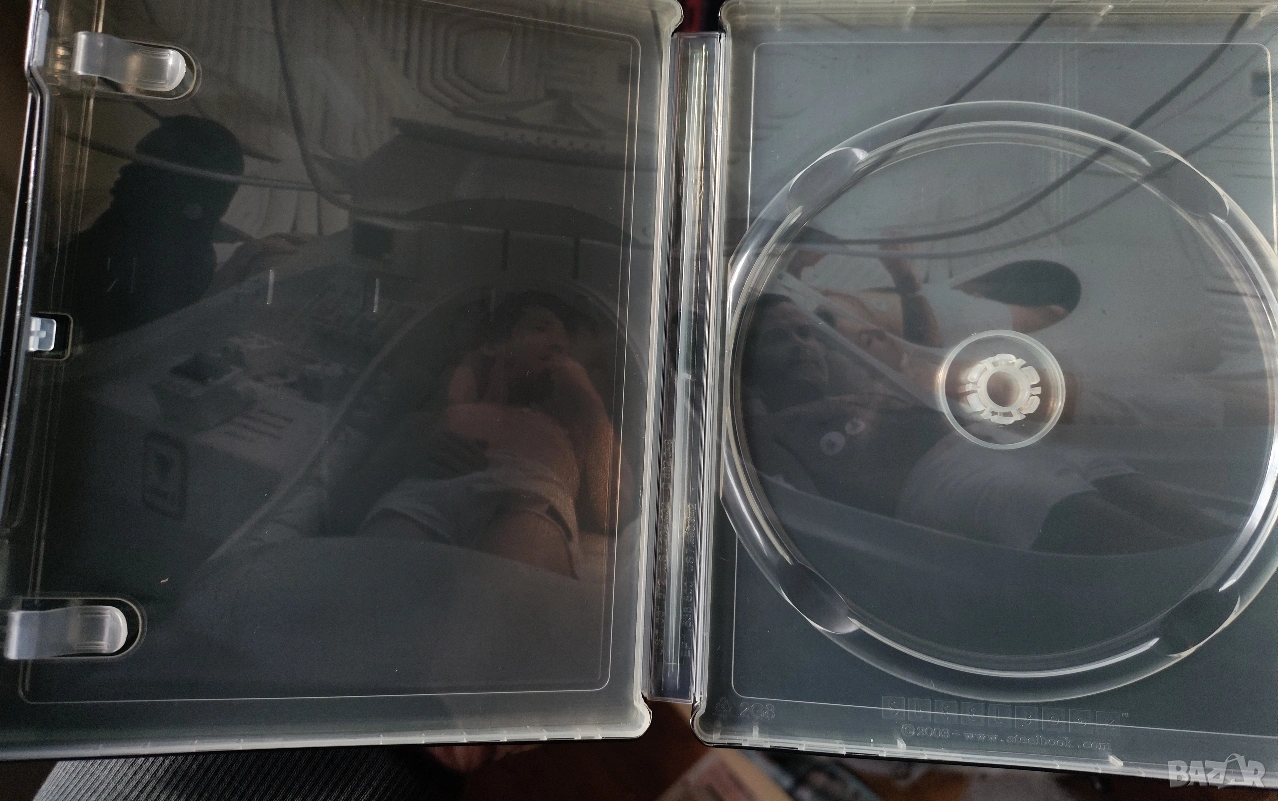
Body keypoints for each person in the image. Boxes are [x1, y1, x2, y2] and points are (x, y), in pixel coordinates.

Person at [740, 292, 1234, 553]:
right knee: (1136, 543)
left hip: (996, 443)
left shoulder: (863, 383)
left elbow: (922, 358)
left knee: (1183, 519)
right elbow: (815, 525)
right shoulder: (769, 434)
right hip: (948, 482)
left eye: (806, 334)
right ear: (748, 360)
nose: (803, 346)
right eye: (781, 339)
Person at [358, 292, 617, 579]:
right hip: (425, 490)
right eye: (541, 329)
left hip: (528, 498)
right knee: (377, 583)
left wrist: (590, 404)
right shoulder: (440, 413)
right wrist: (409, 453)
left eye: (567, 345)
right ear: (493, 345)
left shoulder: (573, 428)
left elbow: (613, 512)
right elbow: (350, 494)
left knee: (505, 590)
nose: (559, 344)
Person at [67, 116, 244, 341]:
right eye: (135, 161)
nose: (124, 171)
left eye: (145, 168)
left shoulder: (175, 264)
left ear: (184, 191)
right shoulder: (125, 227)